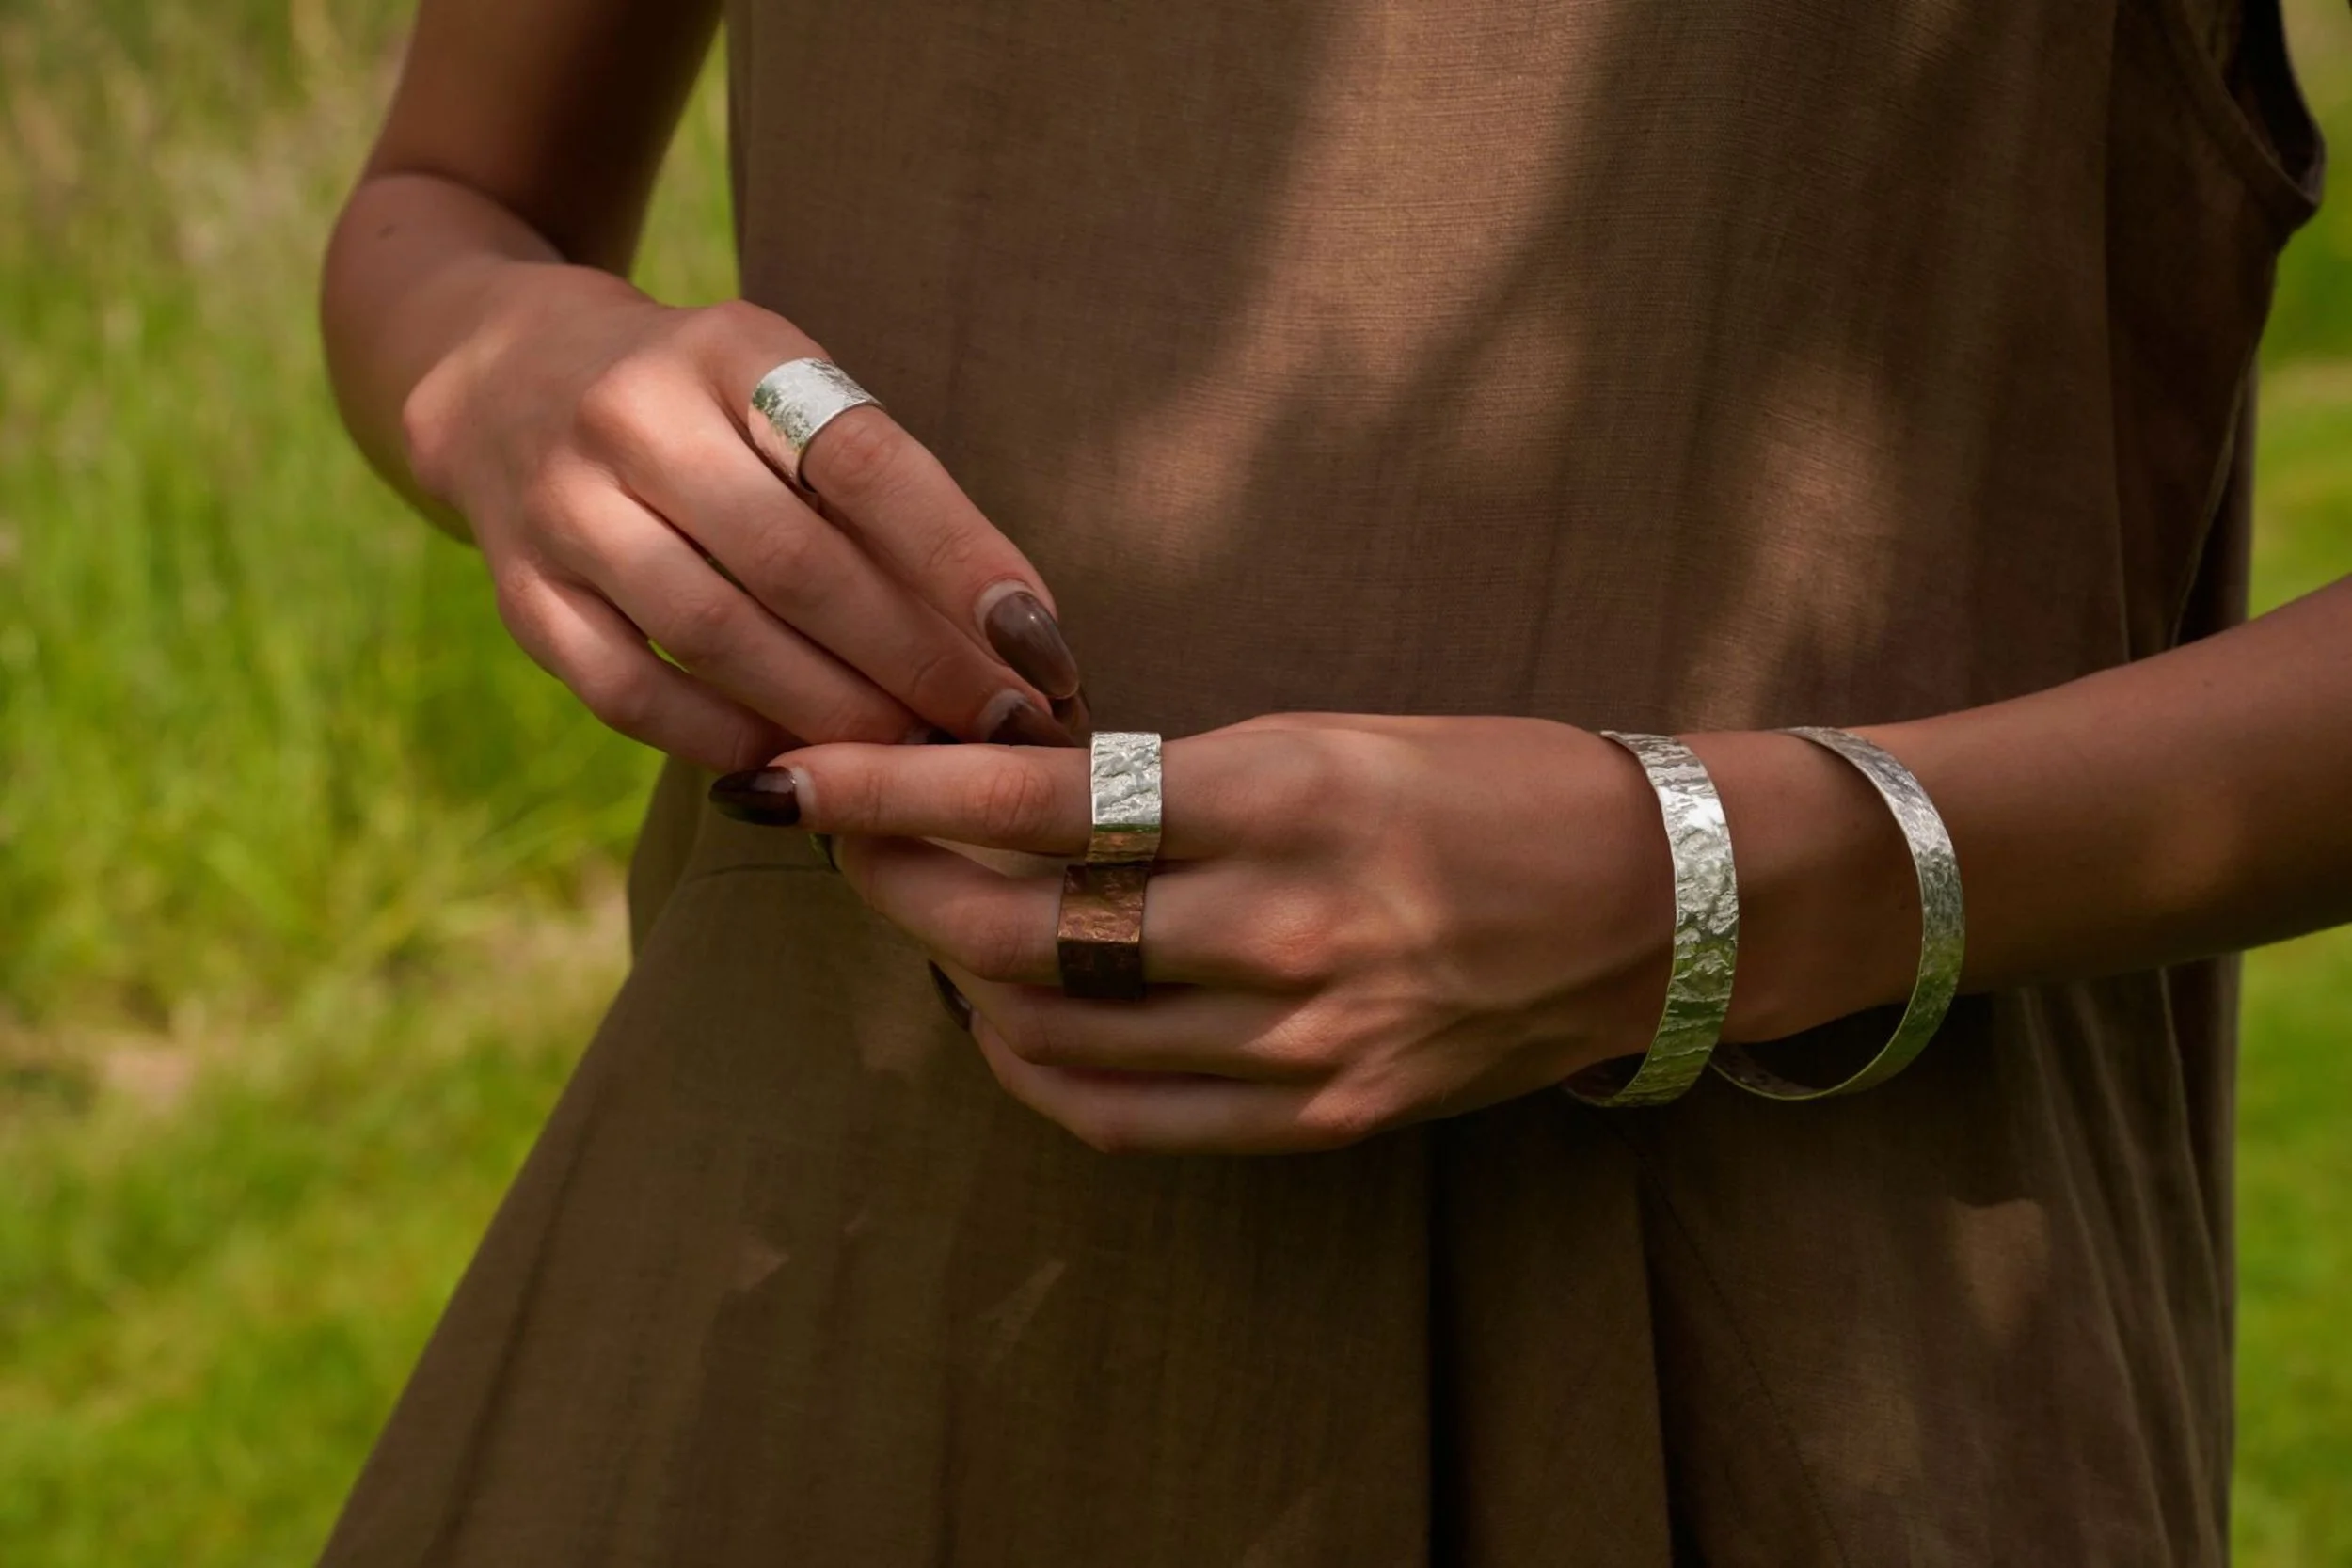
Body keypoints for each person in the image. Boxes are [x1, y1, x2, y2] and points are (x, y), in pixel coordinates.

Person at [316, 0, 2344, 1560]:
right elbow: (445, 209)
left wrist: (1714, 883)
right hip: (770, 1317)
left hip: (1768, 1348)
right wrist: (509, 370)